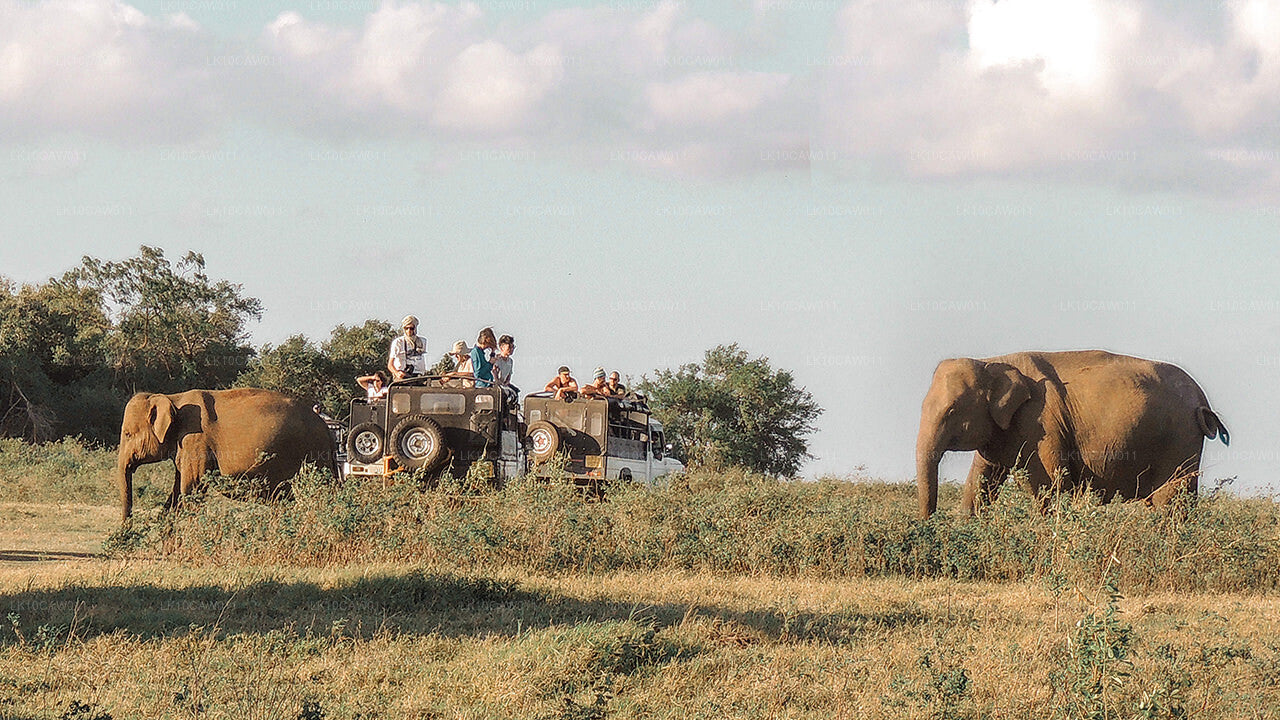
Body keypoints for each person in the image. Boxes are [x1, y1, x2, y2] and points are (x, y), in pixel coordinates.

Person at [387, 315, 426, 381]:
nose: (409, 331)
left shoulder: (422, 341)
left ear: (415, 328)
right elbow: (390, 365)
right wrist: (397, 373)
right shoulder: (398, 342)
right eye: (406, 328)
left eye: (411, 328)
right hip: (402, 376)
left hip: (418, 376)